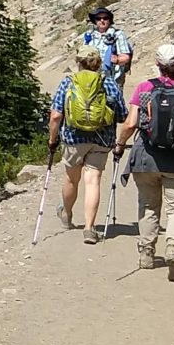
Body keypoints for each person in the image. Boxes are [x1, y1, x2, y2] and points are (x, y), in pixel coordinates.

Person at [114, 43, 174, 280]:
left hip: (146, 158)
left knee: (148, 205)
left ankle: (146, 253)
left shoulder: (144, 88)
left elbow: (131, 123)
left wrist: (120, 145)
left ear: (157, 64)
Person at [46, 48, 125, 243]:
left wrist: (52, 139)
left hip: (73, 139)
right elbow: (122, 114)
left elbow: (56, 116)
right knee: (93, 181)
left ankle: (66, 213)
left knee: (72, 180)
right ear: (99, 63)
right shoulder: (109, 83)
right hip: (101, 140)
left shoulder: (68, 82)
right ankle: (90, 228)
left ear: (78, 62)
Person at [78, 6, 134, 85]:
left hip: (112, 79)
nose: (102, 20)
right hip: (91, 79)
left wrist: (117, 60)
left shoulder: (117, 35)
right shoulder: (89, 35)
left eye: (105, 18)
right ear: (95, 20)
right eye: (98, 18)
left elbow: (126, 58)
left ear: (109, 20)